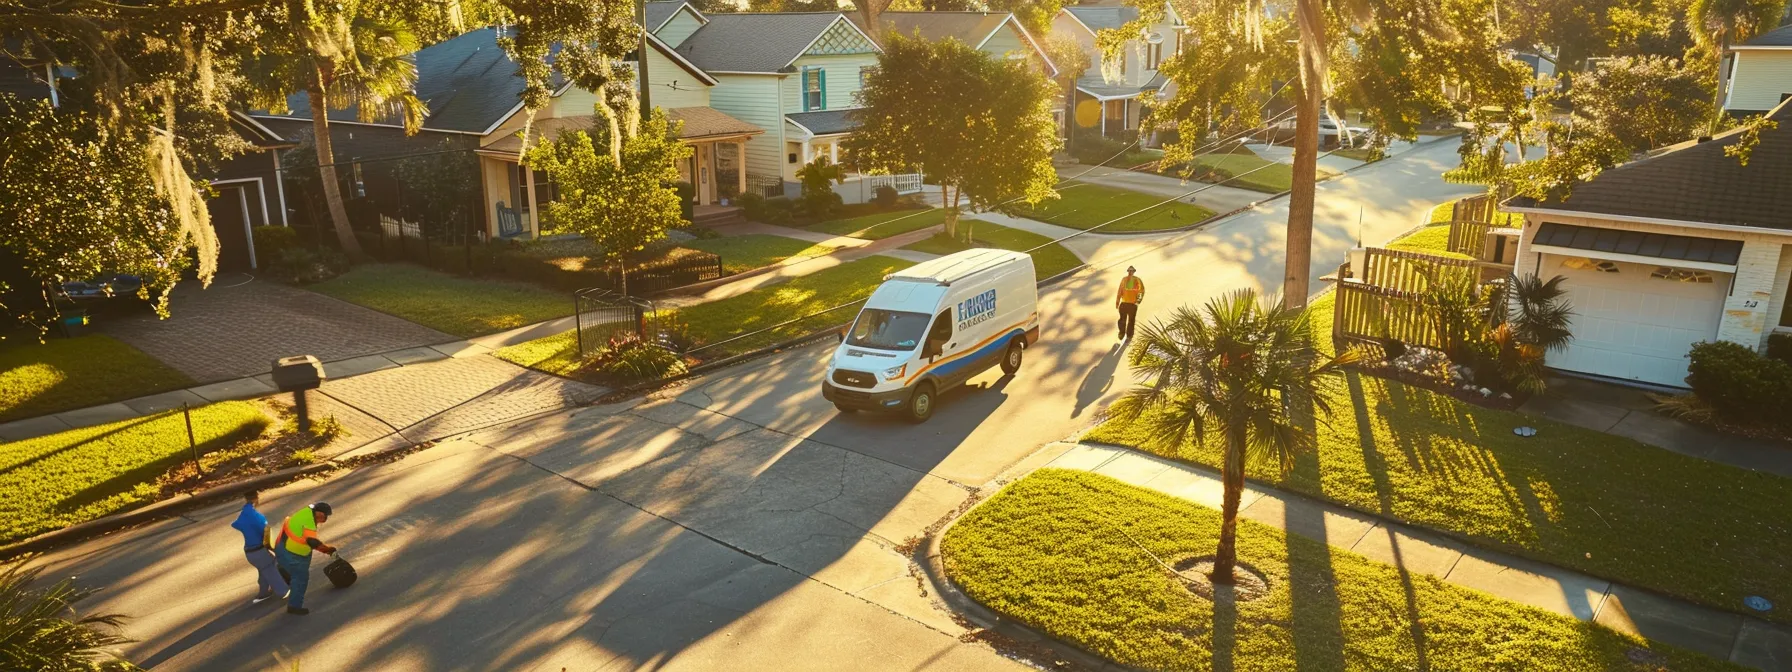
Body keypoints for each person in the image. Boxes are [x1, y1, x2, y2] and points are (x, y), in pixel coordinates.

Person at [274, 502, 337, 616]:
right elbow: (313, 542)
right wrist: (327, 550)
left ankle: (283, 571)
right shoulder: (308, 523)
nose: (325, 519)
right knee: (301, 578)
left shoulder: (307, 512)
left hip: (281, 546)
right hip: (291, 553)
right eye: (324, 516)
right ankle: (294, 606)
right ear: (318, 513)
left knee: (293, 567)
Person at [230, 491, 287, 605]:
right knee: (270, 569)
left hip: (250, 552)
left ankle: (263, 592)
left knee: (264, 569)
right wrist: (275, 548)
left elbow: (236, 524)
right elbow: (265, 533)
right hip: (259, 551)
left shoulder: (244, 514)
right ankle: (284, 591)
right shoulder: (256, 516)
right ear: (257, 498)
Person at [1116, 266, 1146, 341]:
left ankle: (1129, 335)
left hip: (1132, 304)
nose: (1130, 272)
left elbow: (1141, 291)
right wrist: (1117, 301)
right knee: (1122, 319)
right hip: (1124, 303)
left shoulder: (1137, 280)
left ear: (1134, 272)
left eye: (1132, 271)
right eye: (1129, 271)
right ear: (1128, 271)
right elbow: (1120, 290)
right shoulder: (1124, 279)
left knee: (1131, 321)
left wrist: (1138, 301)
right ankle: (1121, 333)